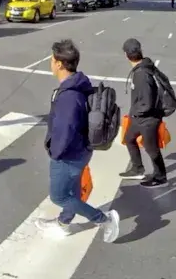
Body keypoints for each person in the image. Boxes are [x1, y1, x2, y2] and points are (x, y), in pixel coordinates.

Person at [39, 39, 121, 241]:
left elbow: (66, 129)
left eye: (52, 59)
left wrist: (55, 152)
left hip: (68, 155)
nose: (50, 63)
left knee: (59, 196)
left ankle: (104, 219)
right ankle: (64, 222)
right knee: (72, 191)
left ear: (59, 64)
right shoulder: (77, 84)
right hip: (81, 151)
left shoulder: (69, 96)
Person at [121, 38, 169, 187]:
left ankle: (160, 177)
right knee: (129, 139)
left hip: (147, 119)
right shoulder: (143, 68)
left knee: (152, 149)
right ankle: (137, 169)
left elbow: (147, 103)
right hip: (139, 117)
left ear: (126, 55)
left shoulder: (142, 74)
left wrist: (137, 112)